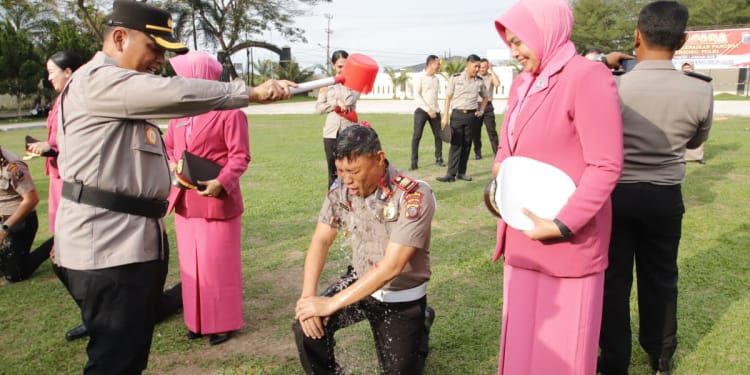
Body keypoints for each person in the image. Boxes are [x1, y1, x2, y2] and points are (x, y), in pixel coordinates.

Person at [54, 0, 293, 373]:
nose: (160, 62)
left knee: (125, 356)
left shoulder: (110, 86)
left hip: (119, 245)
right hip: (110, 250)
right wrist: (251, 93)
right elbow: (178, 94)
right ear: (119, 38)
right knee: (115, 362)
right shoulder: (101, 79)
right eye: (154, 49)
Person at [491, 0, 624, 373]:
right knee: (521, 346)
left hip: (567, 240)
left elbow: (606, 164)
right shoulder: (522, 83)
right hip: (524, 237)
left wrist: (563, 223)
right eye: (510, 43)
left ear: (546, 31)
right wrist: (502, 165)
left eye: (519, 41)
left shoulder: (587, 77)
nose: (514, 51)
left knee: (562, 354)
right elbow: (508, 141)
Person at [598, 3, 713, 375]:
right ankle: (661, 356)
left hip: (616, 195)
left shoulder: (612, 85)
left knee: (613, 280)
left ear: (636, 35)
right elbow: (696, 141)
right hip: (665, 195)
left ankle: (614, 360)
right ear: (682, 40)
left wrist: (603, 63)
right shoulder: (699, 90)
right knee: (661, 277)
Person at [292, 124, 435, 374]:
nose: (347, 180)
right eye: (340, 171)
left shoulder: (412, 195)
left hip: (400, 297)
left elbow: (392, 267)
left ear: (379, 159)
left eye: (354, 171)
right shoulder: (342, 190)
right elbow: (321, 240)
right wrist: (308, 299)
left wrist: (329, 304)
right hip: (360, 280)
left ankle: (420, 325)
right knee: (305, 326)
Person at [164, 51, 250, 346]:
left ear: (199, 78)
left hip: (217, 199)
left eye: (184, 76)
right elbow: (169, 147)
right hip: (186, 200)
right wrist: (176, 164)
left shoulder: (230, 112)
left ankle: (222, 323)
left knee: (218, 264)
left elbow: (240, 156)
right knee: (191, 264)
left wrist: (221, 182)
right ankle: (196, 321)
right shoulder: (180, 113)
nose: (179, 81)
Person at [436, 54, 488, 182]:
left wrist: (481, 111)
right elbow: (448, 97)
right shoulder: (455, 78)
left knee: (466, 144)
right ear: (468, 64)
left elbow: (486, 97)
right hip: (457, 115)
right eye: (475, 66)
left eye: (479, 66)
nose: (477, 69)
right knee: (456, 144)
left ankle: (462, 172)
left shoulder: (479, 81)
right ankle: (450, 174)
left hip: (471, 116)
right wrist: (445, 116)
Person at [316, 50, 361, 187]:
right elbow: (319, 107)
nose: (343, 69)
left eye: (346, 66)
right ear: (333, 66)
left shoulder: (355, 83)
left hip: (349, 132)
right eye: (340, 66)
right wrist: (336, 103)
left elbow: (349, 101)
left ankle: (350, 201)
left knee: (351, 168)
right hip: (331, 133)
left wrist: (344, 82)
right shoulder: (326, 84)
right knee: (332, 170)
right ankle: (332, 201)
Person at [0, 147, 44, 283]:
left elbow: (31, 200)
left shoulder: (13, 167)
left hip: (19, 221)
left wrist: (4, 229)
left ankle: (56, 243)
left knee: (14, 274)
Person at [410, 54, 444, 170]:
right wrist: (428, 110)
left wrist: (436, 110)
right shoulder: (419, 77)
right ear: (430, 64)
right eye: (437, 64)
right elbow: (417, 95)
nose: (439, 66)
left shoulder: (436, 79)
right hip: (422, 111)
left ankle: (439, 159)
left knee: (439, 136)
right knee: (417, 136)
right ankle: (414, 162)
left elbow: (434, 97)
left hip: (435, 111)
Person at [472, 58, 500, 158]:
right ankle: (477, 153)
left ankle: (497, 153)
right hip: (476, 106)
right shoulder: (475, 77)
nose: (482, 69)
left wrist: (492, 71)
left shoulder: (491, 76)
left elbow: (497, 84)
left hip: (488, 106)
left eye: (484, 67)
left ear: (488, 67)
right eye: (480, 67)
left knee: (492, 131)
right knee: (476, 131)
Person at [681, 62, 706, 164]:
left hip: (696, 108)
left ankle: (698, 157)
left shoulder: (699, 79)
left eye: (689, 68)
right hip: (683, 109)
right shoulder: (678, 80)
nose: (687, 70)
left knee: (697, 132)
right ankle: (683, 157)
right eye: (685, 68)